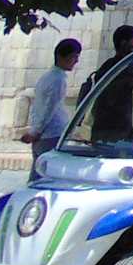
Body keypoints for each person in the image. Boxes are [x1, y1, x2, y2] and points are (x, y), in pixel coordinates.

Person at [19, 38, 80, 177]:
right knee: (48, 175)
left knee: (38, 173)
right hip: (51, 134)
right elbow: (49, 108)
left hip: (44, 133)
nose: (76, 61)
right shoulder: (58, 80)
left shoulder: (47, 77)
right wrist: (36, 131)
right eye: (73, 57)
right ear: (61, 57)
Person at [83, 25, 133, 143]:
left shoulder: (108, 64)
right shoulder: (122, 67)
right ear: (124, 43)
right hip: (116, 130)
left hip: (102, 128)